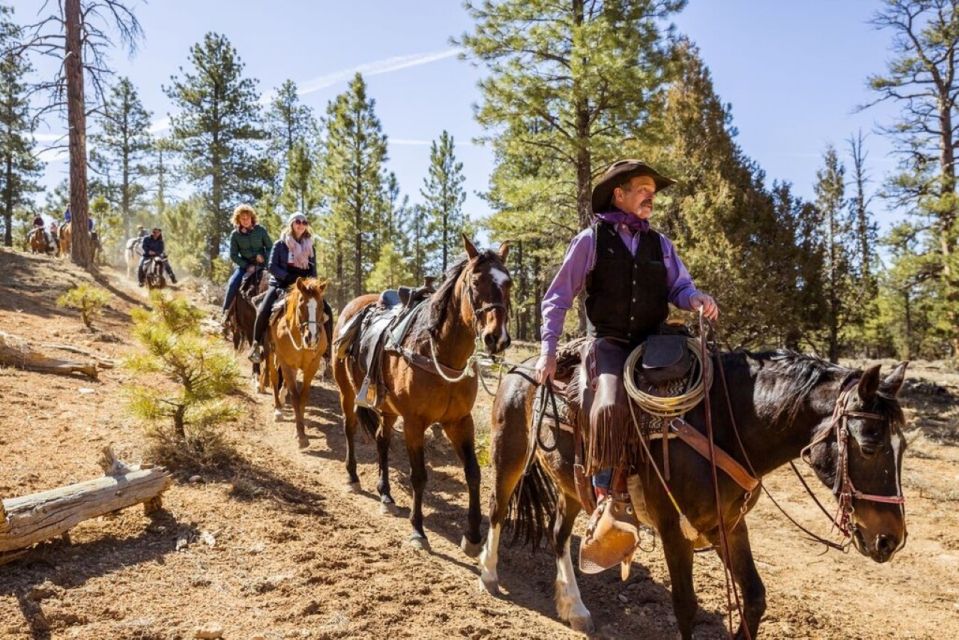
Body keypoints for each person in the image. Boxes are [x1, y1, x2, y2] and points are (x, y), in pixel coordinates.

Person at [534, 160, 718, 567]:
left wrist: (696, 299)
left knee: (708, 385)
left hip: (657, 342)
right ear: (619, 194)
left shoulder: (661, 243)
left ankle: (693, 494)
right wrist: (548, 349)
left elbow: (680, 287)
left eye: (653, 190)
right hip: (611, 344)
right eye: (642, 189)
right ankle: (606, 503)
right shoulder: (591, 240)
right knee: (610, 405)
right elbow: (558, 297)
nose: (650, 196)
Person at [248, 213, 333, 363]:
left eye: (304, 222)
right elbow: (272, 266)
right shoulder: (280, 244)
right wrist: (288, 278)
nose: (301, 224)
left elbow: (313, 272)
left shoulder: (310, 246)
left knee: (327, 310)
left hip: (304, 287)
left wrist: (310, 285)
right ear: (291, 224)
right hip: (281, 283)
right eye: (297, 221)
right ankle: (256, 345)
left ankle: (327, 351)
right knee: (263, 310)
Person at [221, 204, 272, 324]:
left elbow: (270, 247)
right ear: (238, 219)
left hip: (262, 266)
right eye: (242, 218)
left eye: (247, 218)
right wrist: (246, 266)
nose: (245, 220)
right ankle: (225, 314)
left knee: (276, 284)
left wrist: (263, 257)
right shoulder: (235, 235)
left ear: (252, 218)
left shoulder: (261, 230)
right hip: (244, 267)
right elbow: (233, 255)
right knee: (233, 284)